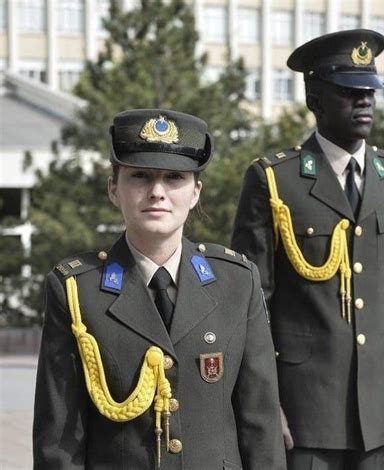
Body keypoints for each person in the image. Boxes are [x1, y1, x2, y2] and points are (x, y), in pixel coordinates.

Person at [33, 109, 286, 470]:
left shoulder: (237, 281)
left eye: (174, 178)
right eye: (140, 176)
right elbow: (58, 439)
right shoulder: (77, 289)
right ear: (113, 189)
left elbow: (260, 424)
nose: (157, 192)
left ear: (195, 192)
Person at [231, 29, 384, 469]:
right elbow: (251, 304)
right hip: (304, 416)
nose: (364, 101)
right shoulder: (276, 180)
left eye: (370, 91)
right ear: (315, 99)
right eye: (349, 91)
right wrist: (264, 403)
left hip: (382, 416)